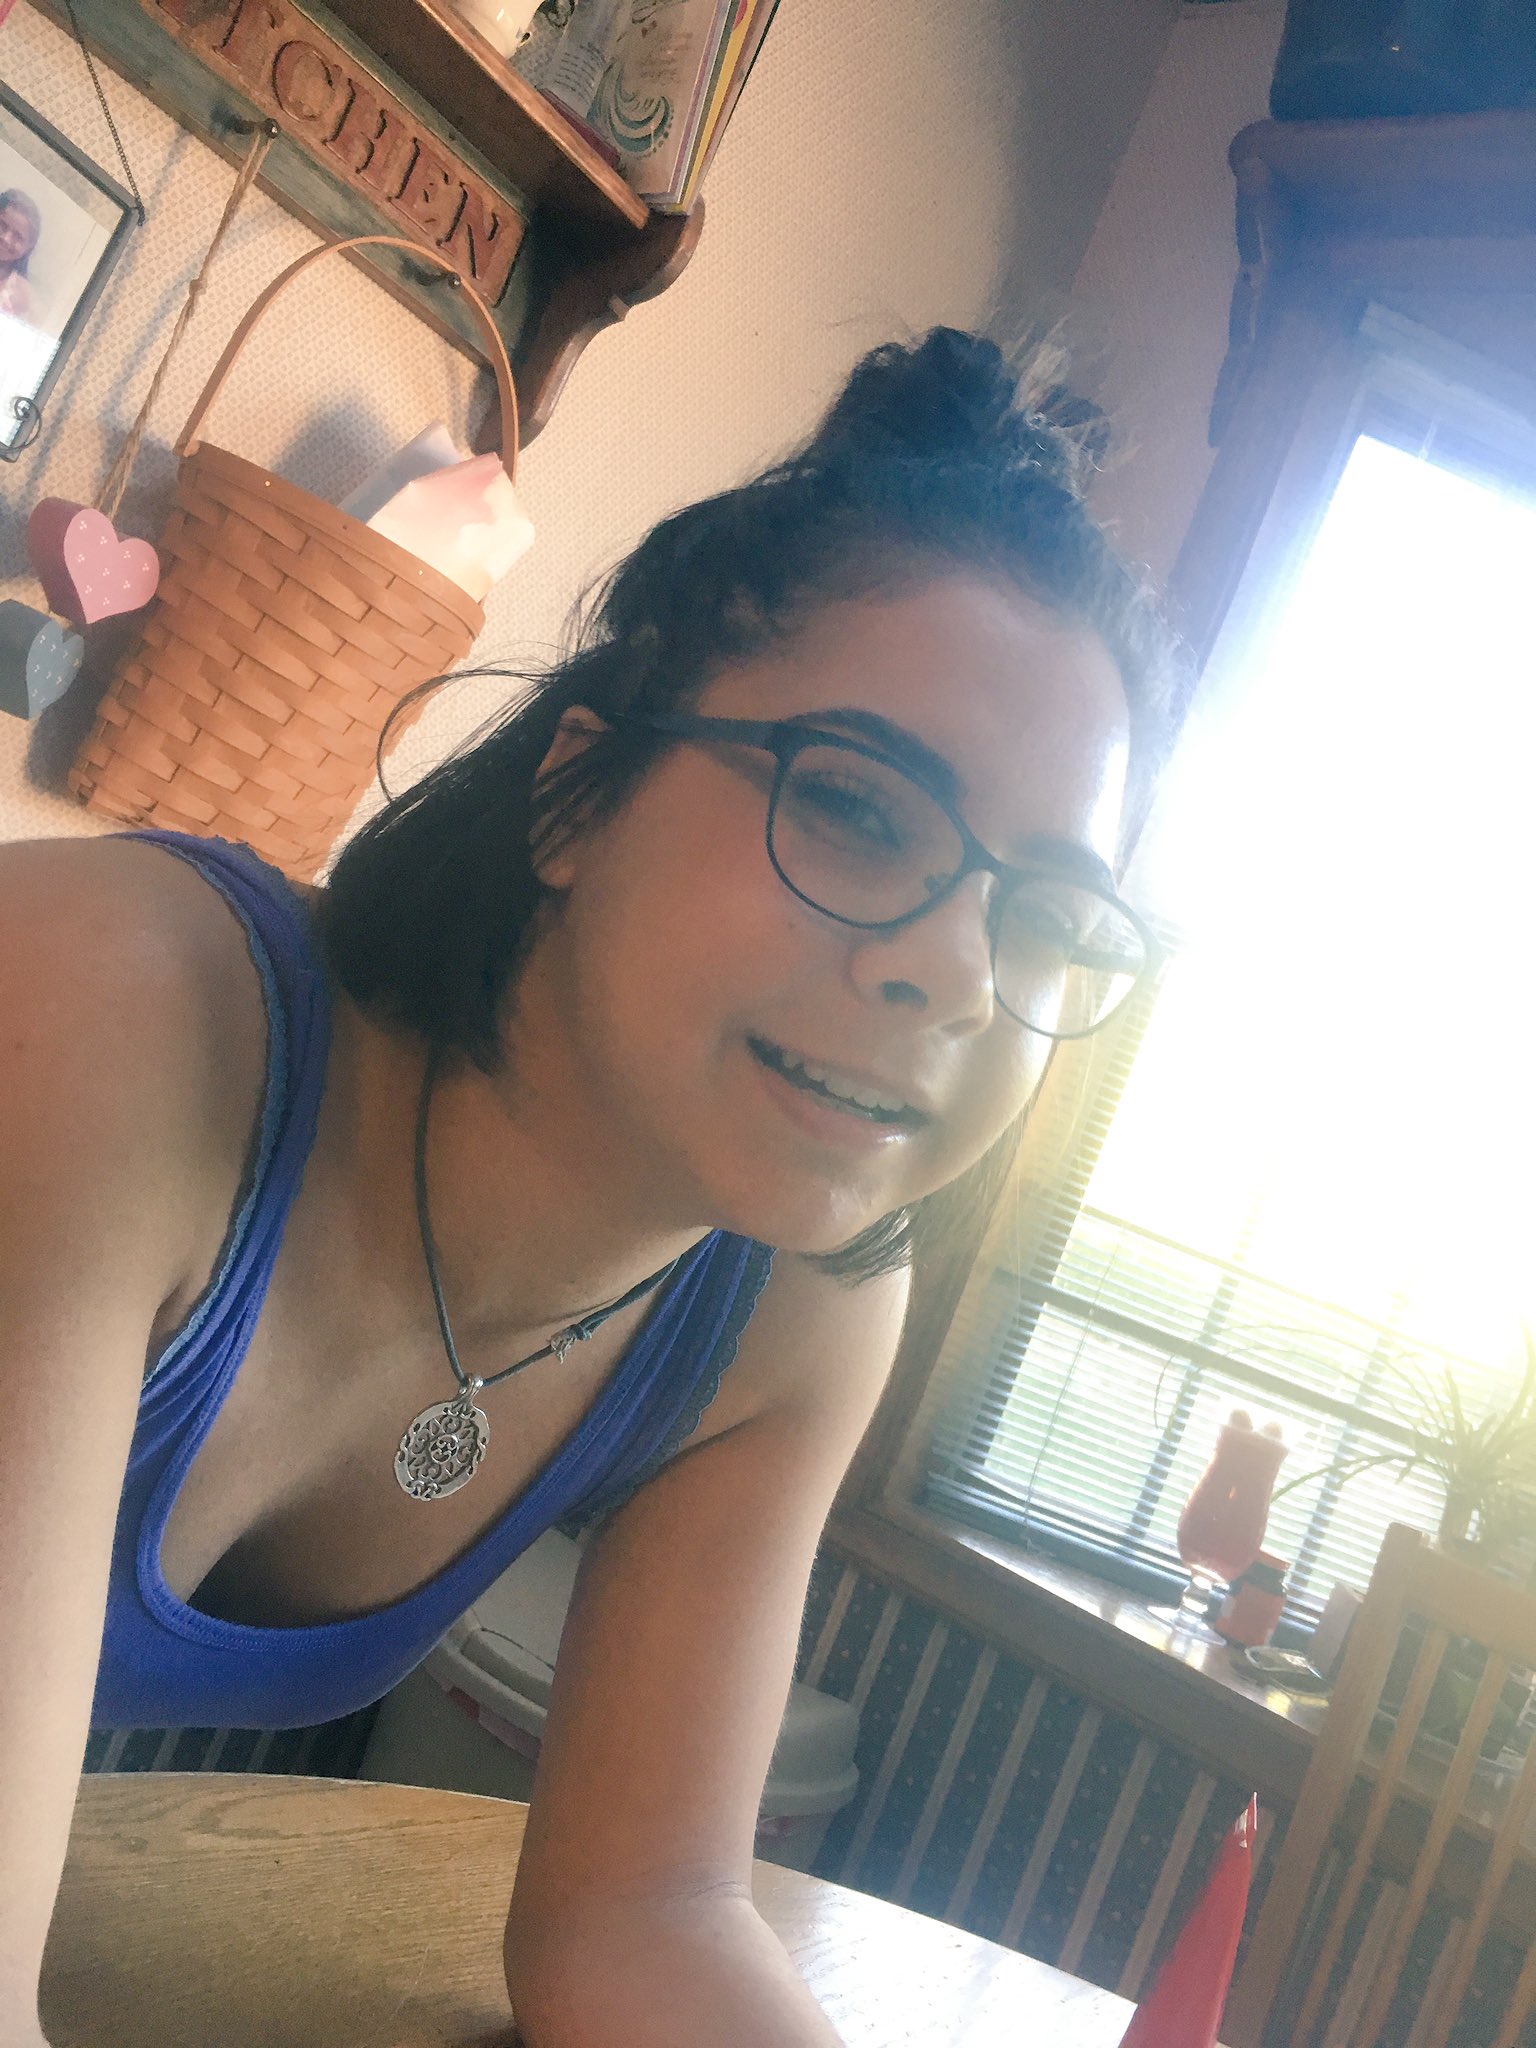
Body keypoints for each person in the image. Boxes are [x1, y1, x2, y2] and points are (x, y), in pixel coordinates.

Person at [0, 329, 1174, 2048]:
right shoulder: (105, 1013)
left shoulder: (799, 1312)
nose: (959, 972)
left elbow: (647, 1917)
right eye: (859, 810)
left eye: (1052, 916)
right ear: (576, 796)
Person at [0, 188, 40, 320]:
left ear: (28, 247)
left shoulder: (26, 297)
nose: (5, 238)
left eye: (18, 236)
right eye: (2, 224)